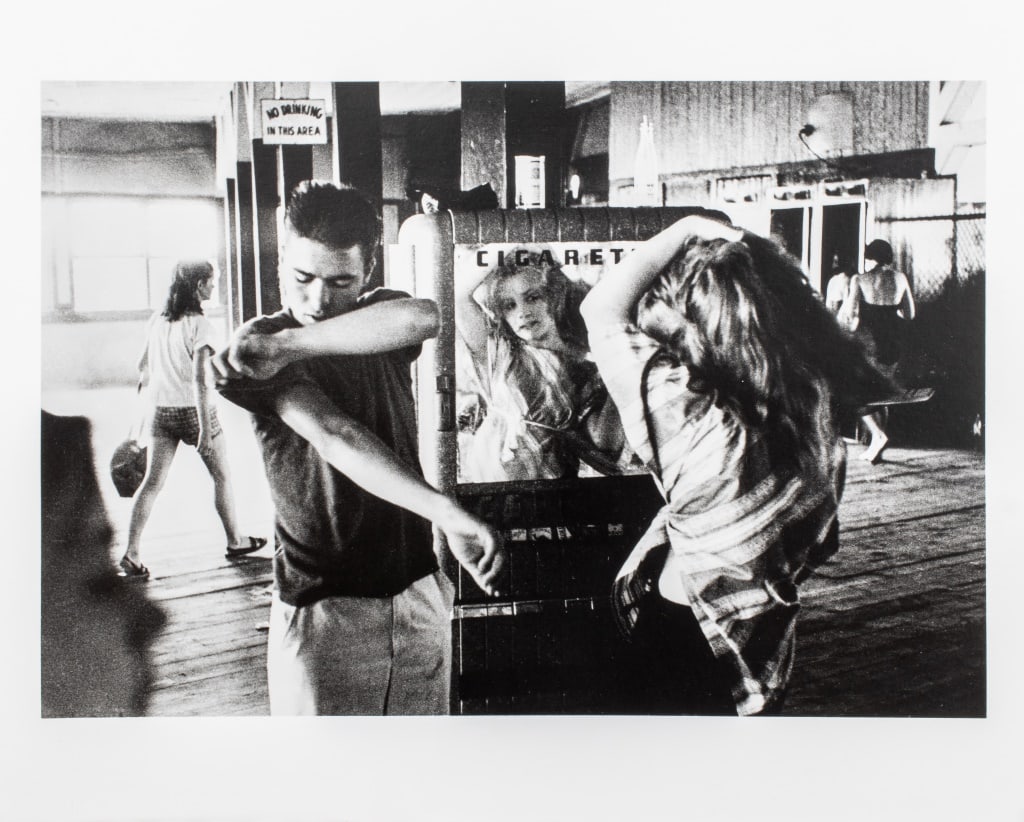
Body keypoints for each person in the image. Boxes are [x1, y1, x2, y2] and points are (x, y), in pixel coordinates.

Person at [212, 180, 505, 715]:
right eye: (302, 278)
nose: (319, 300)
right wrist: (446, 512)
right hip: (325, 603)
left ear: (368, 274)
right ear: (280, 264)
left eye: (341, 281)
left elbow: (425, 316)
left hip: (415, 588)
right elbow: (336, 436)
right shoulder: (252, 348)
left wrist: (290, 344)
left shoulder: (369, 320)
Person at [580, 214, 891, 715]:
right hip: (761, 637)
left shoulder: (692, 414)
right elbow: (821, 545)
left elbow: (600, 309)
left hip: (681, 630)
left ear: (696, 326)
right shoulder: (816, 417)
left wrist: (683, 229)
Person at [119, 261, 266, 579]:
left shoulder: (158, 320)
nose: (215, 287)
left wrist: (143, 415)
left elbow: (141, 367)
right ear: (199, 285)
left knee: (152, 484)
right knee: (222, 476)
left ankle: (131, 553)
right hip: (193, 412)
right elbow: (201, 382)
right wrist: (203, 432)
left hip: (161, 410)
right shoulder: (200, 325)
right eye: (212, 281)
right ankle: (236, 540)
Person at [455, 245, 630, 481]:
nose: (523, 312)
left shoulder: (587, 367)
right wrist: (512, 239)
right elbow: (458, 295)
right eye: (509, 305)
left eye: (533, 297)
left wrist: (618, 367)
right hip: (492, 480)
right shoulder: (502, 352)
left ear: (554, 296)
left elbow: (605, 443)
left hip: (554, 488)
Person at [844, 239, 917, 463]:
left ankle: (877, 434)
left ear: (869, 256)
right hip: (893, 342)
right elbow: (910, 314)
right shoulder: (900, 277)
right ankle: (877, 447)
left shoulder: (860, 279)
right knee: (881, 393)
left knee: (855, 393)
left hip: (870, 342)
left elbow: (849, 313)